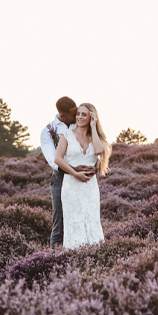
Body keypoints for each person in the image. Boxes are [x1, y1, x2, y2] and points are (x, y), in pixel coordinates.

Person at [54, 101, 111, 249]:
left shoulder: (95, 138)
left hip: (90, 188)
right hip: (71, 186)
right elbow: (57, 159)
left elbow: (99, 151)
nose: (79, 117)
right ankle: (74, 261)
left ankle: (95, 259)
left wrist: (93, 126)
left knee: (92, 221)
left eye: (84, 114)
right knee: (74, 223)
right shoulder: (66, 135)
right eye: (78, 114)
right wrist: (75, 173)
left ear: (91, 117)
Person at [39, 97, 76, 250]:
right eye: (72, 114)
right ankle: (54, 258)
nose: (76, 117)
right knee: (59, 221)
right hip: (61, 177)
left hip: (81, 176)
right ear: (62, 114)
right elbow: (52, 159)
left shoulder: (80, 124)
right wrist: (73, 170)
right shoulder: (48, 131)